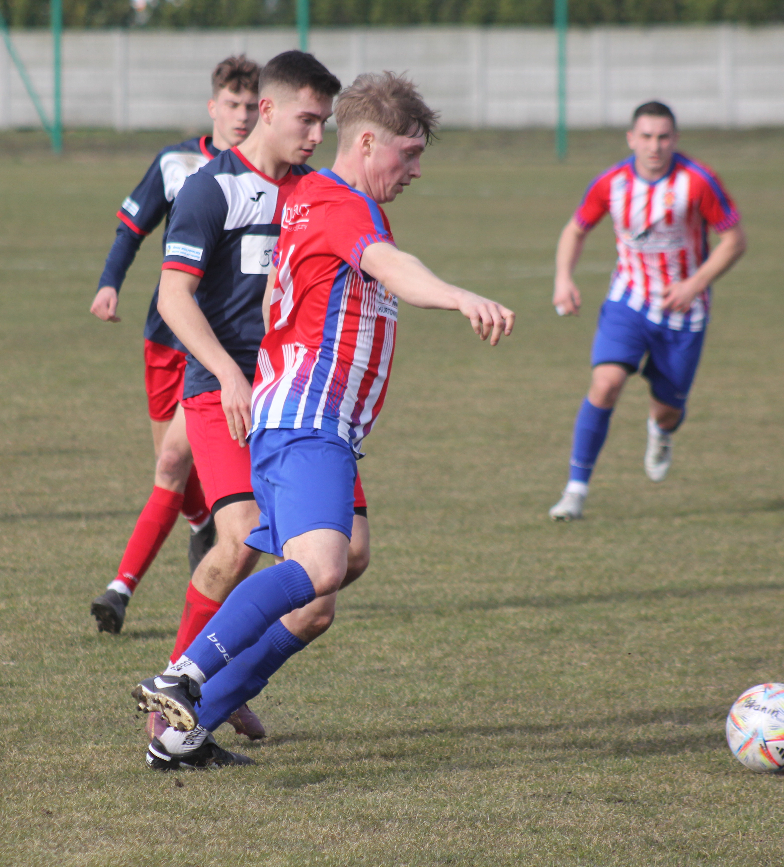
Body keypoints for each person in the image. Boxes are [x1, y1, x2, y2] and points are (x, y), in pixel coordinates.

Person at [133, 70, 515, 770]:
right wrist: (459, 296)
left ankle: (185, 733)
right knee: (320, 565)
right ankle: (184, 676)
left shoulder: (309, 196)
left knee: (330, 582)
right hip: (308, 415)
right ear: (367, 142)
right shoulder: (340, 205)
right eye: (409, 152)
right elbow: (391, 266)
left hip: (316, 420)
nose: (417, 169)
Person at [88, 56, 261, 637]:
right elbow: (132, 225)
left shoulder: (267, 176)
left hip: (222, 351)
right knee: (174, 470)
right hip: (167, 339)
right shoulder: (177, 162)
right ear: (213, 107)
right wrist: (109, 283)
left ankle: (120, 588)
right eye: (231, 105)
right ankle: (199, 526)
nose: (240, 115)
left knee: (171, 463)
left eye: (249, 105)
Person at [547, 101, 746, 522]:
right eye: (647, 137)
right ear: (631, 139)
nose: (655, 146)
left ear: (674, 139)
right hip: (629, 302)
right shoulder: (612, 183)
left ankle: (662, 431)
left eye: (663, 137)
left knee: (667, 408)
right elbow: (576, 229)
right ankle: (575, 492)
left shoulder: (698, 181)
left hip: (684, 313)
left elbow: (734, 240)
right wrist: (563, 278)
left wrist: (694, 284)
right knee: (605, 384)